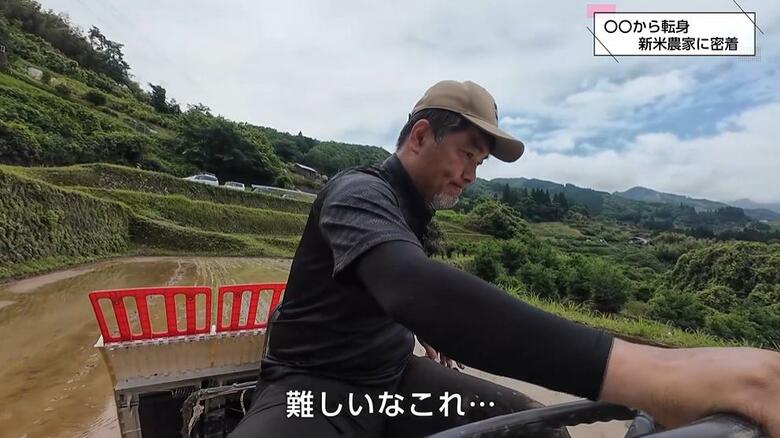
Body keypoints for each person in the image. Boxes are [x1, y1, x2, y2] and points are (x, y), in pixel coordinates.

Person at [230, 80, 780, 438]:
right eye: (466, 154)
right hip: (315, 388)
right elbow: (410, 287)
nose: (471, 175)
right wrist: (657, 373)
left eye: (480, 164)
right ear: (420, 136)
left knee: (534, 428)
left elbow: (408, 294)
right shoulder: (358, 193)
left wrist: (422, 329)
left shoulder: (416, 210)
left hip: (394, 381)